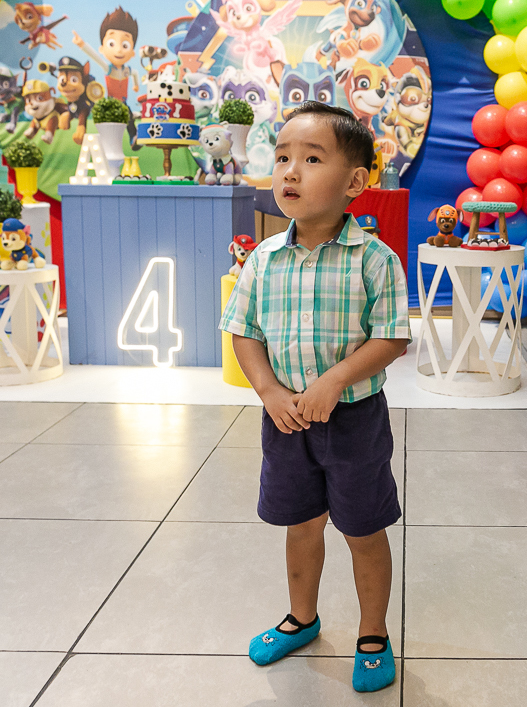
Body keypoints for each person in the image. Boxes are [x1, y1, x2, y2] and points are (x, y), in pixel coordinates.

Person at [219, 101, 410, 691]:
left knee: (362, 528)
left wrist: (333, 381)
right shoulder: (264, 261)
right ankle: (302, 618)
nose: (289, 172)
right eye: (281, 158)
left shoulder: (375, 261)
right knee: (299, 523)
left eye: (310, 158)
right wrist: (270, 389)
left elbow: (392, 338)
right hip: (286, 422)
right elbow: (243, 331)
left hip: (353, 421)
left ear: (354, 183)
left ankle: (372, 633)